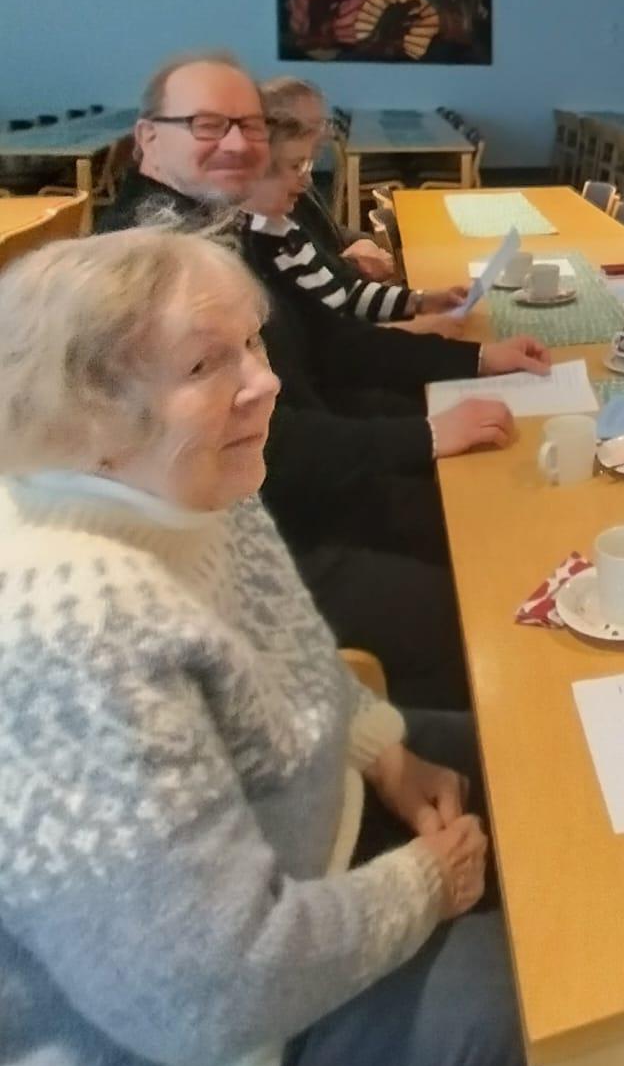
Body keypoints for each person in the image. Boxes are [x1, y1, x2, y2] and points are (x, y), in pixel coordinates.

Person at [0, 228, 537, 1066]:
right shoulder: (67, 631)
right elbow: (206, 994)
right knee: (536, 1011)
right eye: (205, 364)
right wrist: (422, 886)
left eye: (253, 343)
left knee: (537, 766)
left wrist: (384, 751)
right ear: (84, 411)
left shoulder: (190, 473)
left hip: (295, 863)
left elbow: (291, 654)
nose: (265, 382)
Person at [99, 52, 541, 703]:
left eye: (250, 126)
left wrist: (472, 363)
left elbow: (330, 348)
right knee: (490, 599)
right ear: (148, 138)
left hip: (297, 495)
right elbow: (264, 443)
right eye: (206, 125)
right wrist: (424, 435)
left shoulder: (218, 226)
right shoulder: (150, 265)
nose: (237, 144)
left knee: (498, 515)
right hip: (256, 549)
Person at [250, 109, 468, 332]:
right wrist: (417, 328)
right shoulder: (258, 249)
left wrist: (421, 302)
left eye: (307, 165)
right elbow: (330, 337)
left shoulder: (285, 232)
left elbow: (347, 294)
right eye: (296, 166)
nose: (307, 181)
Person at [260, 74, 396, 280]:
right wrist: (355, 265)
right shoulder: (273, 199)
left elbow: (328, 231)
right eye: (312, 125)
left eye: (324, 122)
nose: (326, 133)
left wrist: (365, 241)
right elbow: (307, 275)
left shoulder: (300, 175)